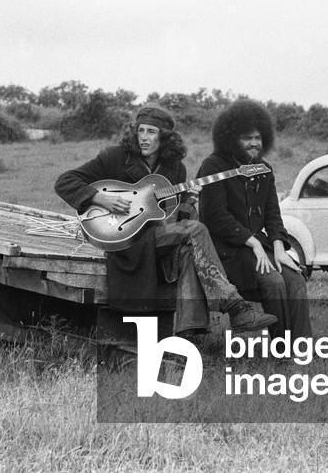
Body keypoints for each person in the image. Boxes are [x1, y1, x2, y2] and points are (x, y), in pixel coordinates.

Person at [55, 105, 277, 340]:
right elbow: (65, 181)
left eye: (151, 132)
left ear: (165, 136)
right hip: (126, 239)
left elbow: (176, 220)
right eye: (141, 131)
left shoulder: (175, 168)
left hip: (157, 237)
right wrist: (100, 197)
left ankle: (187, 334)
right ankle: (233, 308)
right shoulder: (115, 157)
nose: (144, 137)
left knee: (190, 245)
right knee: (195, 232)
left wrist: (190, 200)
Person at [197, 99, 312, 339]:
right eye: (247, 138)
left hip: (259, 249)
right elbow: (215, 218)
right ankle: (281, 350)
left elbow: (273, 215)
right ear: (231, 138)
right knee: (274, 282)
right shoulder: (213, 165)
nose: (254, 143)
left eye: (258, 138)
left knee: (296, 279)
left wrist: (280, 249)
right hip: (227, 252)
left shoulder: (264, 169)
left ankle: (302, 347)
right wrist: (254, 242)